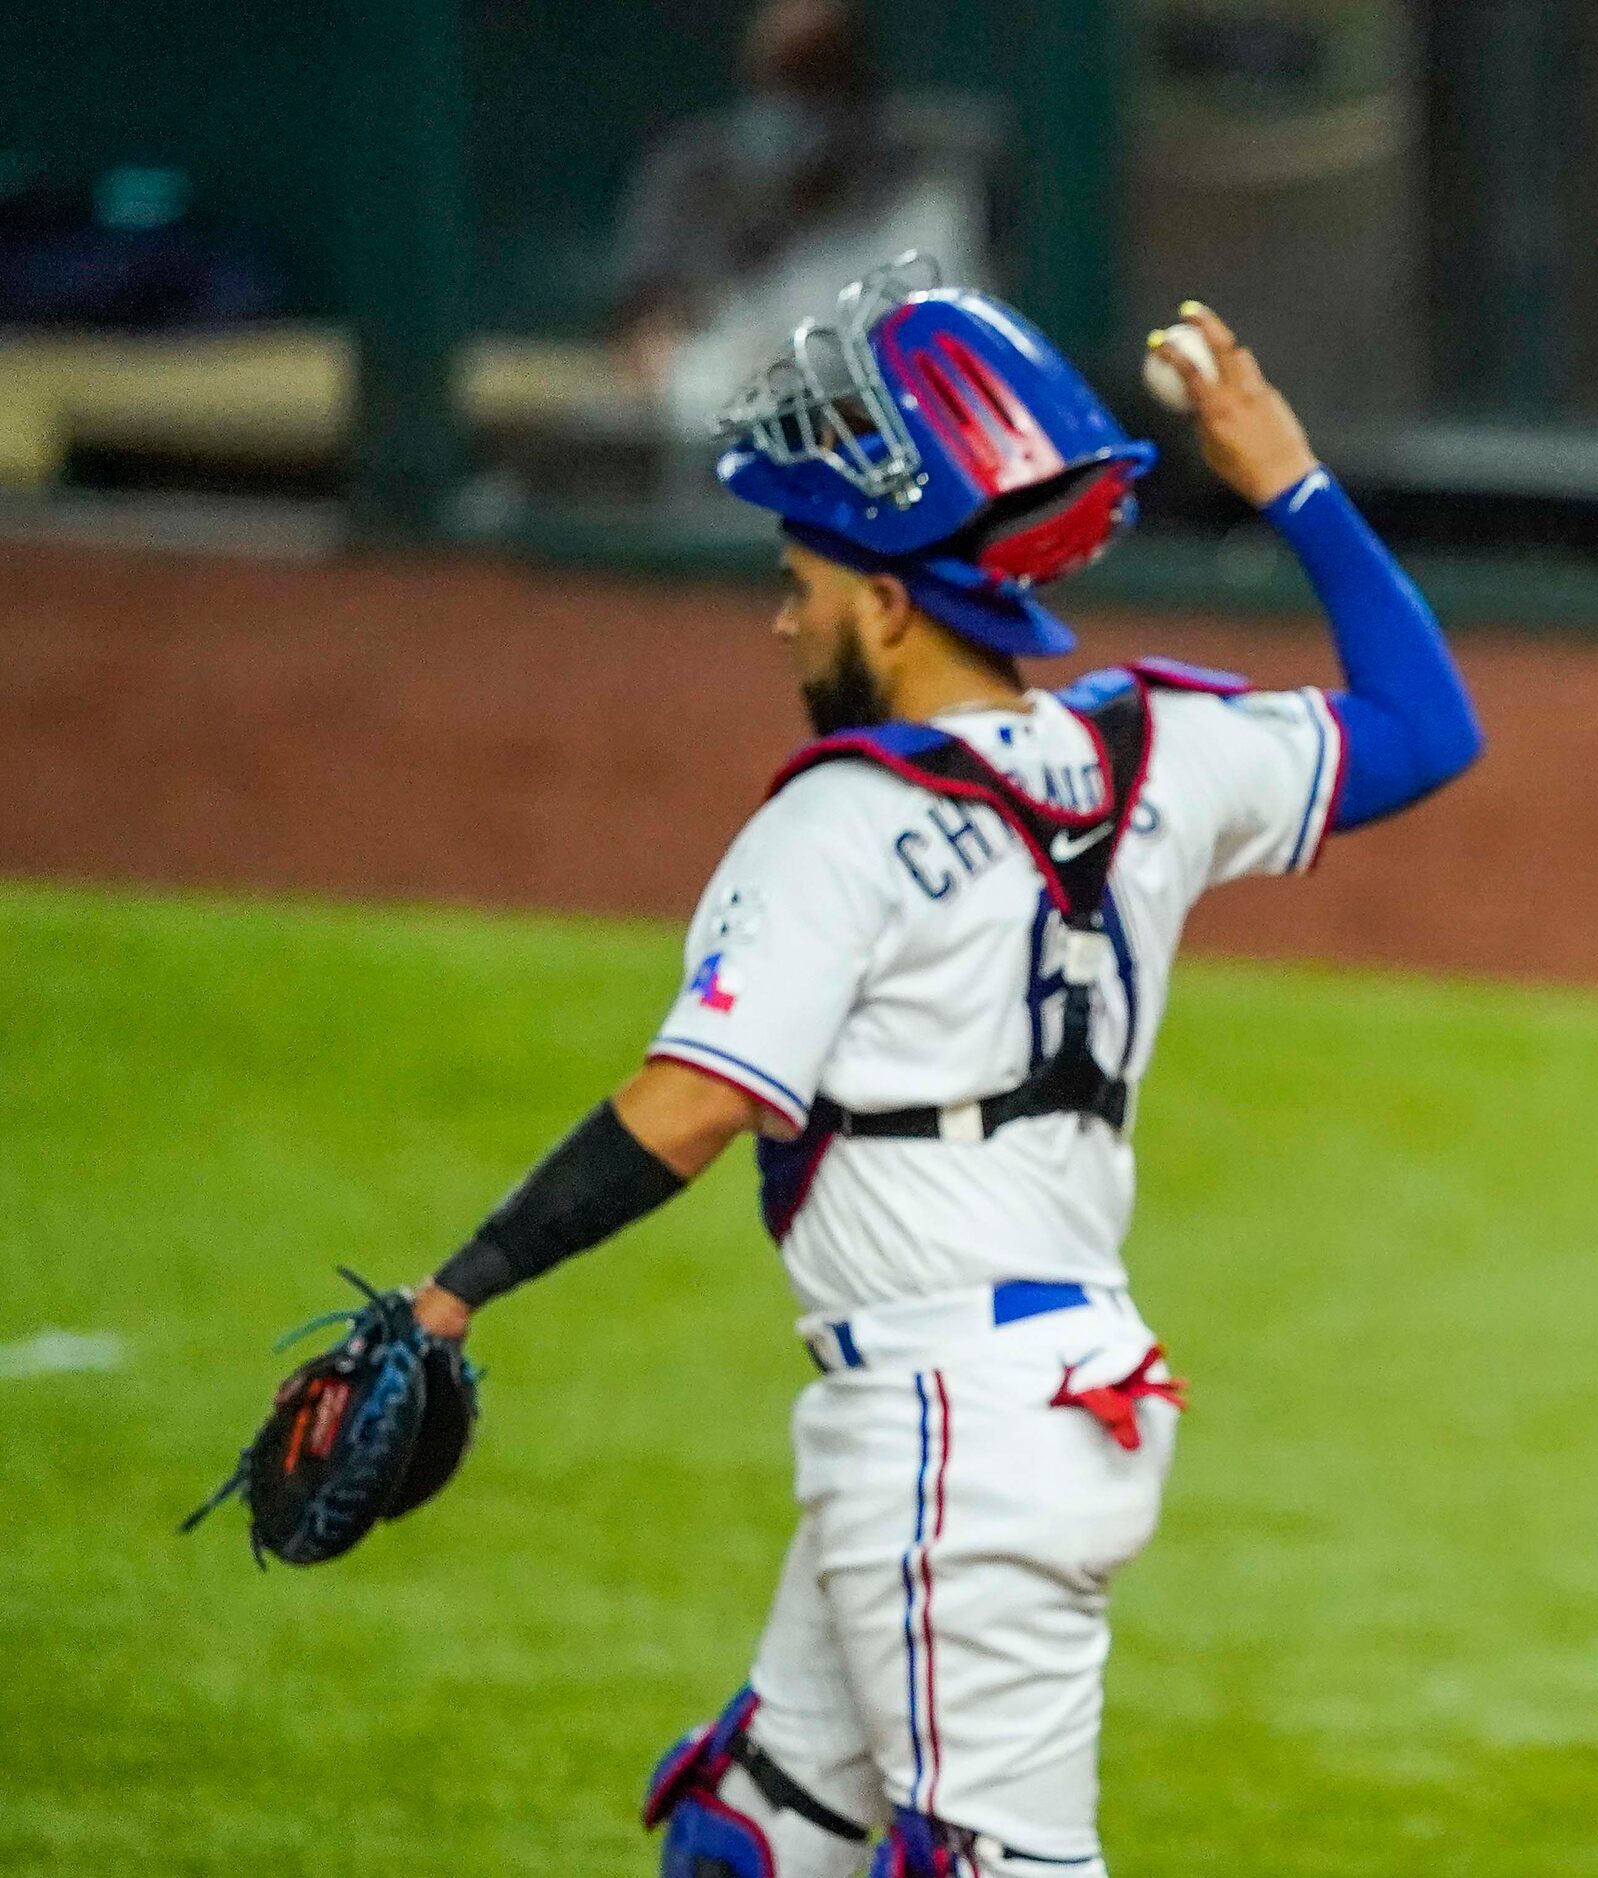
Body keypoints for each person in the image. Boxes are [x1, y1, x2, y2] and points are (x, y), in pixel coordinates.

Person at [409, 258, 1480, 1877]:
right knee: (751, 1835)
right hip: (1026, 1402)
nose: (786, 614)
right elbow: (1422, 723)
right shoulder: (1154, 757)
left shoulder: (831, 824)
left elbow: (693, 1103)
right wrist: (1291, 482)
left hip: (947, 1432)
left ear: (892, 603)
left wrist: (455, 1287)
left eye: (804, 578)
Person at [615, 0, 1006, 437]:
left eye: (817, 76)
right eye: (780, 77)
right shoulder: (693, 171)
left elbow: (946, 362)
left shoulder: (922, 188)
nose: (791, 105)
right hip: (711, 457)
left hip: (879, 449)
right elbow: (646, 340)